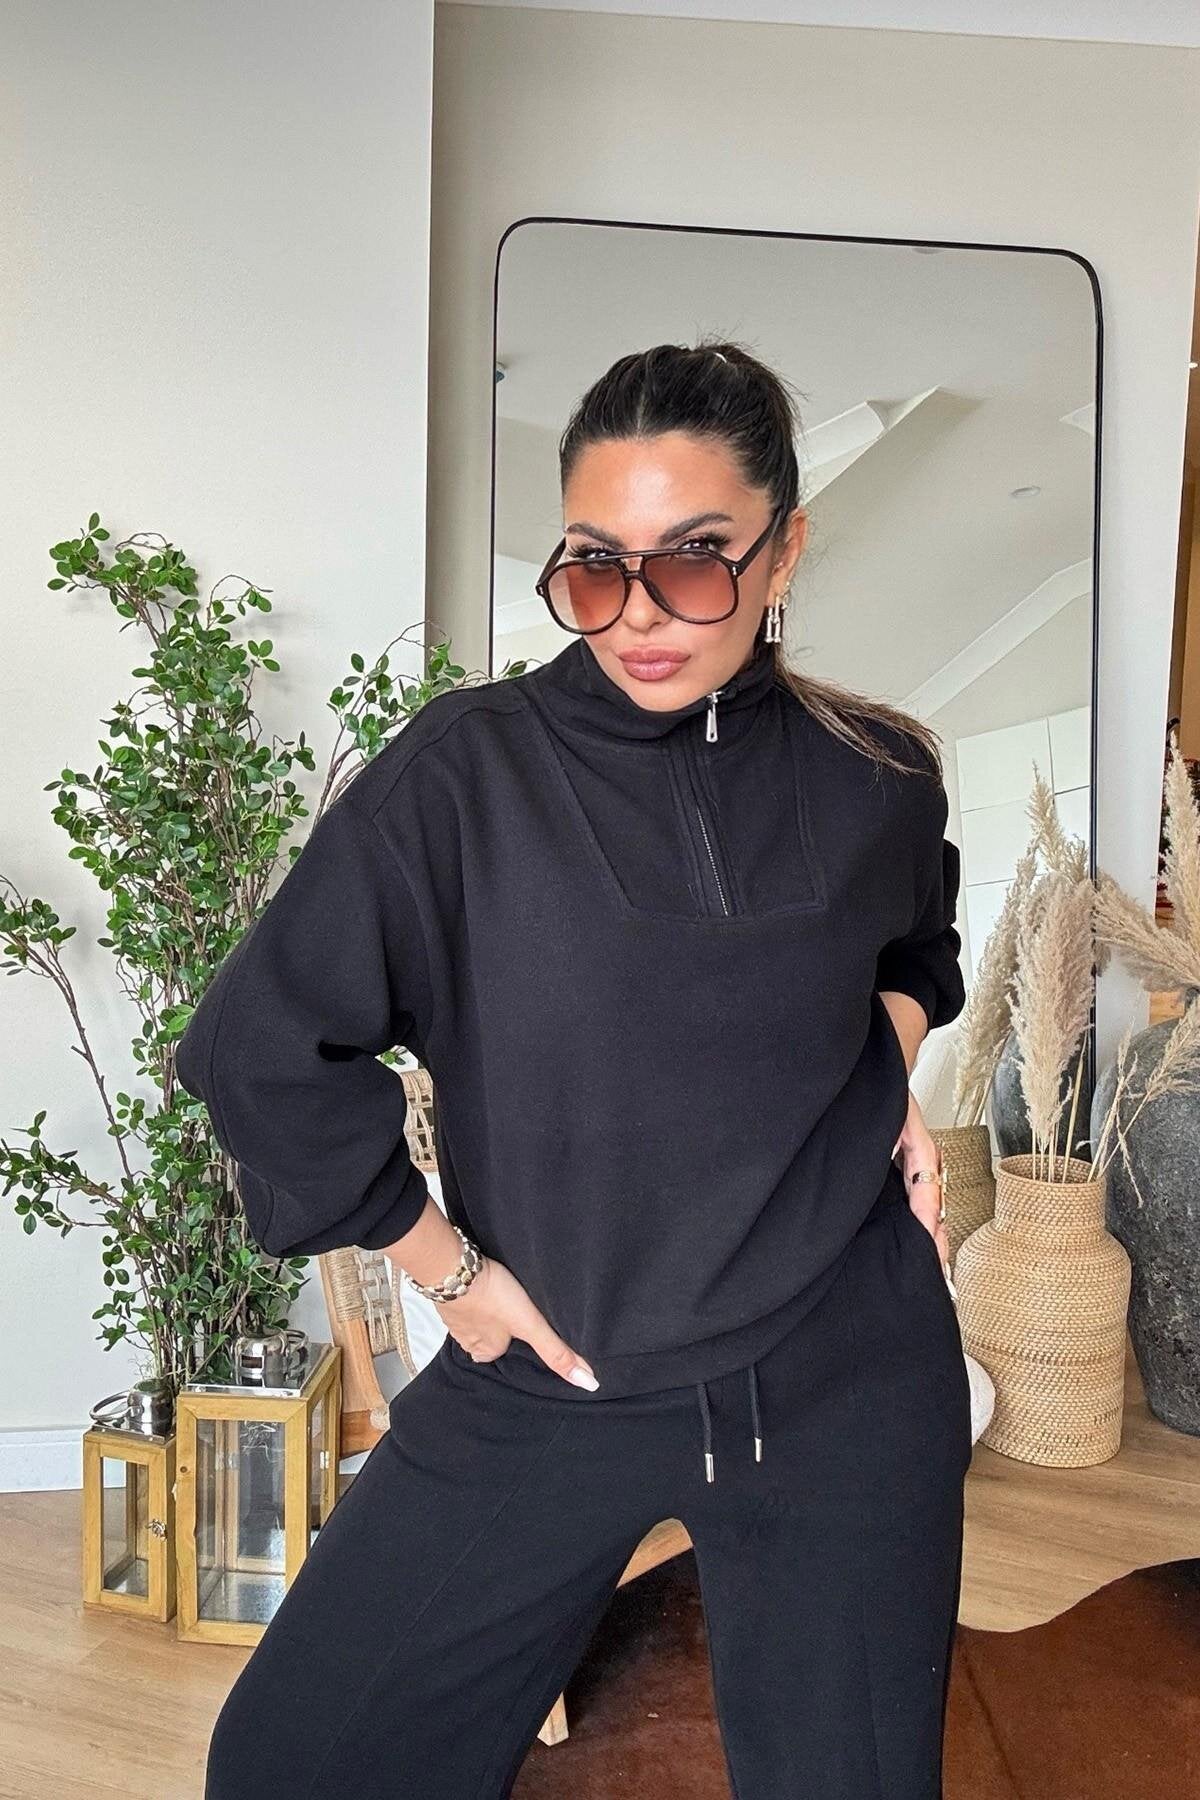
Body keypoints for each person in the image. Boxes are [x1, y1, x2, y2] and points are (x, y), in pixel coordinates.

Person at [180, 338, 971, 1800]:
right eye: (597, 566)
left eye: (696, 559)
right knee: (300, 1764)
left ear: (787, 547)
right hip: (558, 1373)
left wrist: (886, 1078)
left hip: (848, 1374)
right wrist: (448, 1270)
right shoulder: (463, 780)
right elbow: (257, 1048)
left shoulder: (877, 773)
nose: (640, 614)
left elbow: (918, 946)